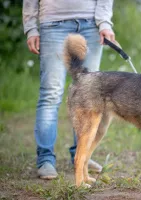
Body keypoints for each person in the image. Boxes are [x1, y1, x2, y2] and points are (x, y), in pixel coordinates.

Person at [22, 0, 115, 179]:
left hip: (91, 24)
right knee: (51, 94)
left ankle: (81, 156)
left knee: (90, 98)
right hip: (53, 24)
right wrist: (31, 28)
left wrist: (104, 22)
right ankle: (45, 159)